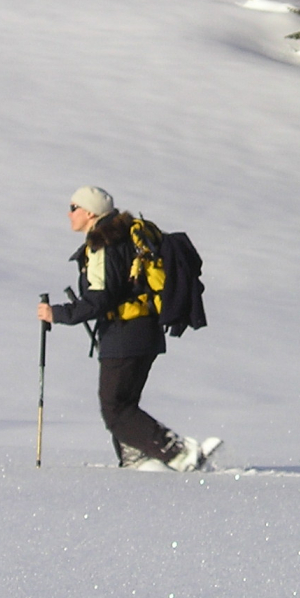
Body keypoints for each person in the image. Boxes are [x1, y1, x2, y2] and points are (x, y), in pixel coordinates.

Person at [38, 186, 213, 471]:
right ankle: (136, 460)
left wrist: (56, 314)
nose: (69, 214)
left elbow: (100, 298)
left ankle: (179, 452)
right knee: (124, 404)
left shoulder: (103, 244)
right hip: (144, 330)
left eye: (73, 207)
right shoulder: (123, 238)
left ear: (90, 212)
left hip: (126, 332)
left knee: (116, 410)